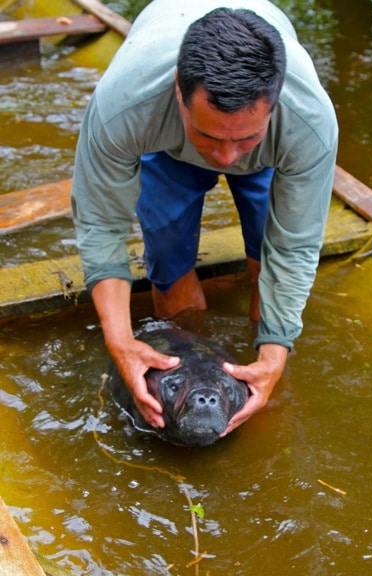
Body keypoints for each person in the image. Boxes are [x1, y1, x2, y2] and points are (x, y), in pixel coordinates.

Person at [71, 0, 338, 436]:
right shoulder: (126, 107)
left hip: (269, 154)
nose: (226, 157)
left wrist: (272, 357)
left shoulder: (307, 123)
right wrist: (120, 343)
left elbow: (293, 247)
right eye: (210, 137)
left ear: (273, 104)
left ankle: (256, 379)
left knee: (266, 263)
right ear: (179, 90)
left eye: (244, 137)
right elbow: (101, 225)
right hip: (167, 143)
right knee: (169, 264)